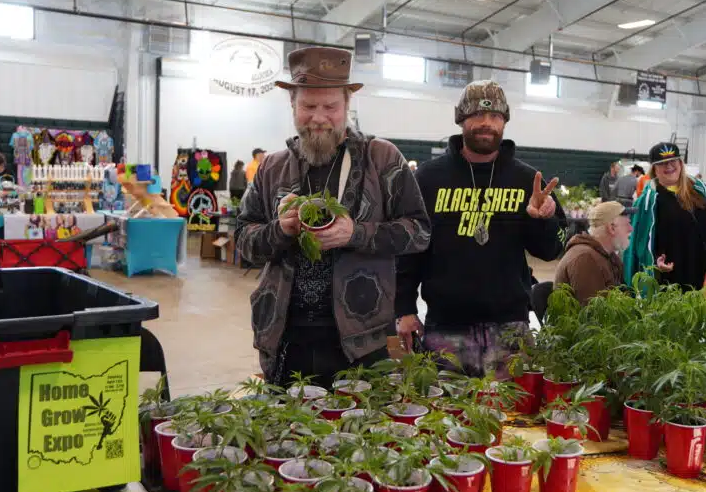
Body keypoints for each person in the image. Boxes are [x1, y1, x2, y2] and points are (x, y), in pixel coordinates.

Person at [234, 47, 431, 388]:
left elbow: (419, 232)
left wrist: (356, 233)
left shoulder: (382, 159)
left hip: (363, 343)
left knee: (361, 434)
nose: (319, 117)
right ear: (292, 106)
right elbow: (243, 242)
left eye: (330, 107)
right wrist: (279, 230)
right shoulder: (271, 167)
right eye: (308, 106)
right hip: (285, 338)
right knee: (289, 433)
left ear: (347, 107)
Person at [394, 80, 565, 378]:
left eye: (496, 116)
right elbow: (408, 251)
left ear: (505, 121)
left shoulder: (529, 181)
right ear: (461, 118)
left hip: (511, 329)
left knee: (516, 420)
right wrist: (404, 307)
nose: (486, 123)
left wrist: (543, 219)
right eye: (477, 115)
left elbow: (550, 250)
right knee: (445, 418)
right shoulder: (427, 179)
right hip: (446, 328)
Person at [624, 142, 706, 289]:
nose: (669, 166)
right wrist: (655, 262)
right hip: (671, 277)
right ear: (654, 169)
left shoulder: (701, 191)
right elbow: (639, 244)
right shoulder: (647, 202)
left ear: (680, 163)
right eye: (662, 163)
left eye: (673, 161)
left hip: (705, 272)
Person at [554, 201, 633, 306]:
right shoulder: (585, 259)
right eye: (627, 224)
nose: (631, 229)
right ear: (612, 228)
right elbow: (593, 315)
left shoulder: (609, 256)